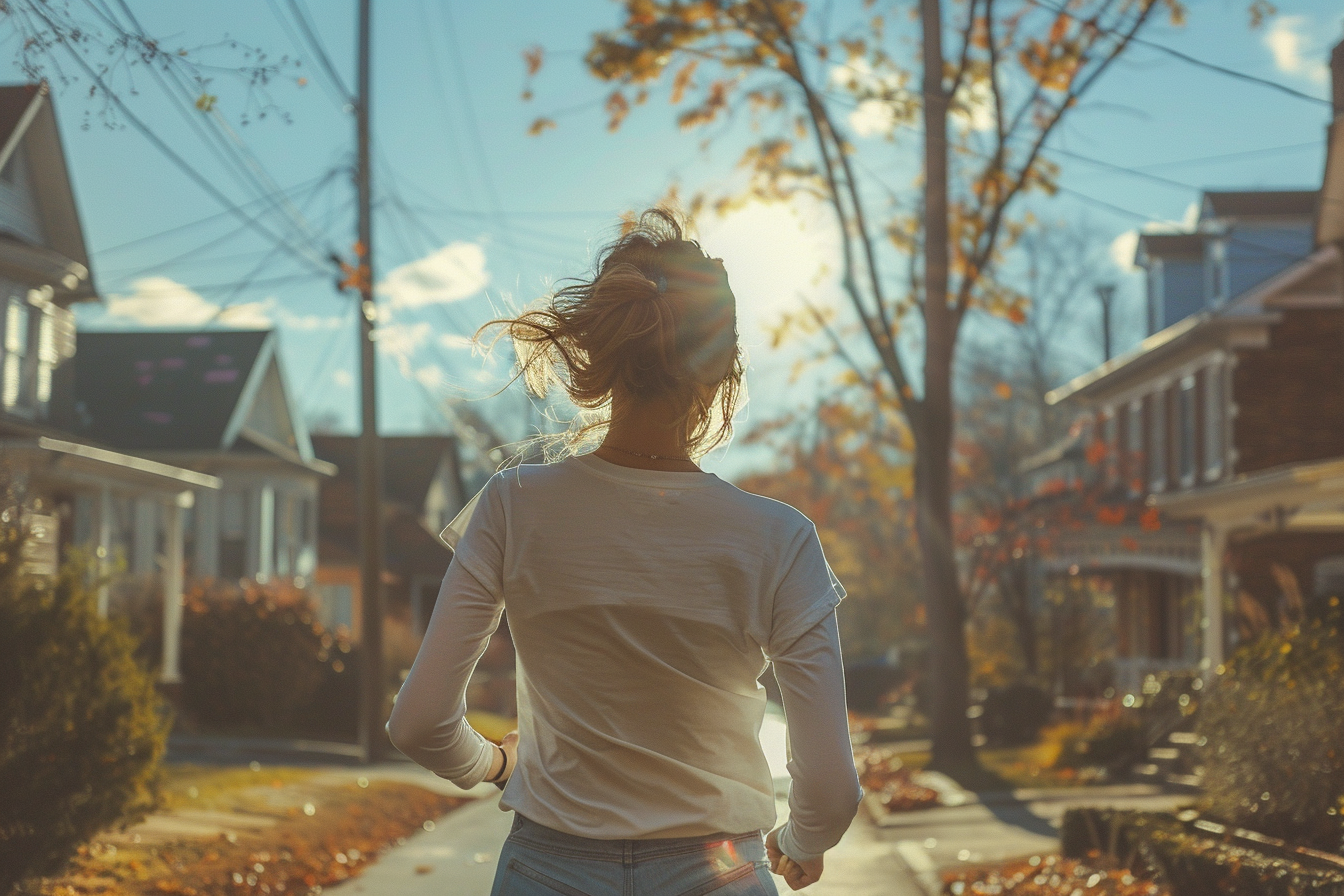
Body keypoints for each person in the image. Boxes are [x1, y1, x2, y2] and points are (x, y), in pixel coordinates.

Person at [387, 209, 862, 895]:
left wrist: (496, 765)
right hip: (718, 873)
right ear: (723, 369)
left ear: (603, 358)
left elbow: (421, 722)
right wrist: (798, 841)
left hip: (545, 870)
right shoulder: (779, 538)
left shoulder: (514, 505)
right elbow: (830, 789)